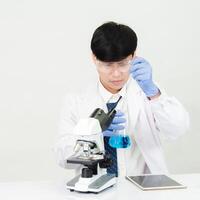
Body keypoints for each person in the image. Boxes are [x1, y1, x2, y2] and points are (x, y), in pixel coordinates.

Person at [54, 21, 190, 177]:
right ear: (94, 58)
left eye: (123, 63)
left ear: (133, 56)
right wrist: (93, 136)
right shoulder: (75, 101)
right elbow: (61, 155)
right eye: (108, 65)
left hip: (141, 187)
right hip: (95, 188)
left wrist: (154, 94)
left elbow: (178, 128)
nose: (116, 73)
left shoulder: (147, 92)